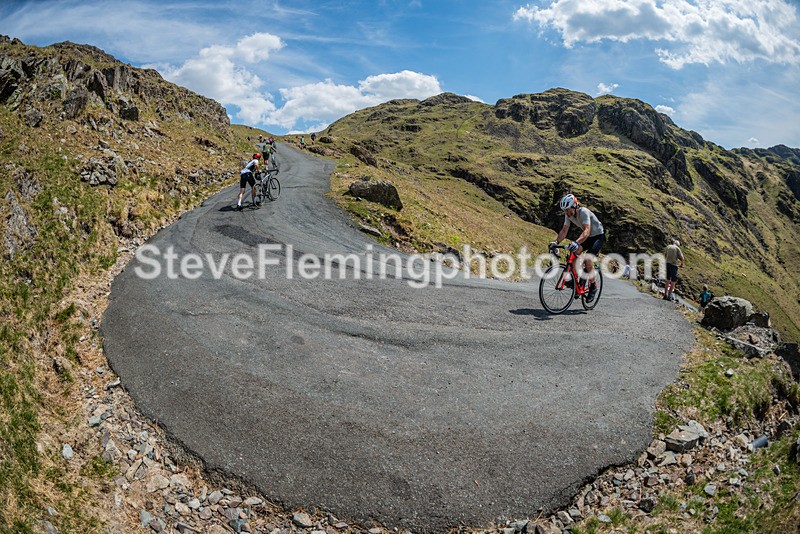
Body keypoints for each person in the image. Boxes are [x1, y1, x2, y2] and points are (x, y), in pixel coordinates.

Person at [554, 194, 605, 303]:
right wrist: (556, 242)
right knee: (574, 253)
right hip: (588, 237)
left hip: (597, 237)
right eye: (565, 211)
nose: (567, 213)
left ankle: (593, 286)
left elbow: (586, 231)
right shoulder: (568, 216)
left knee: (587, 260)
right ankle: (576, 281)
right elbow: (564, 231)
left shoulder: (584, 212)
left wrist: (576, 242)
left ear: (575, 206)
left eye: (568, 210)